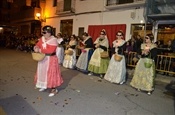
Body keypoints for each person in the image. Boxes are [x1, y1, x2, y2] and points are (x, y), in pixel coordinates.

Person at [33, 25, 63, 97]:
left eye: (45, 32)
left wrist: (39, 50)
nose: (43, 34)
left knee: (51, 73)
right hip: (42, 58)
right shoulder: (42, 38)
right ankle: (44, 85)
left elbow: (50, 50)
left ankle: (54, 89)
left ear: (50, 33)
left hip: (51, 59)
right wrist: (36, 47)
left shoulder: (54, 40)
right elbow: (38, 44)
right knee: (42, 72)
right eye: (43, 32)